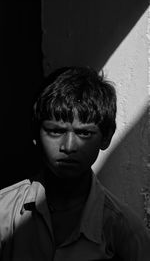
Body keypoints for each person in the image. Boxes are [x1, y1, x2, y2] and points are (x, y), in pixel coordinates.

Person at [0, 66, 150, 261]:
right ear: (36, 134)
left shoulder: (123, 229)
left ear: (106, 137)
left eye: (84, 133)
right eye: (56, 131)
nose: (69, 146)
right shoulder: (5, 212)